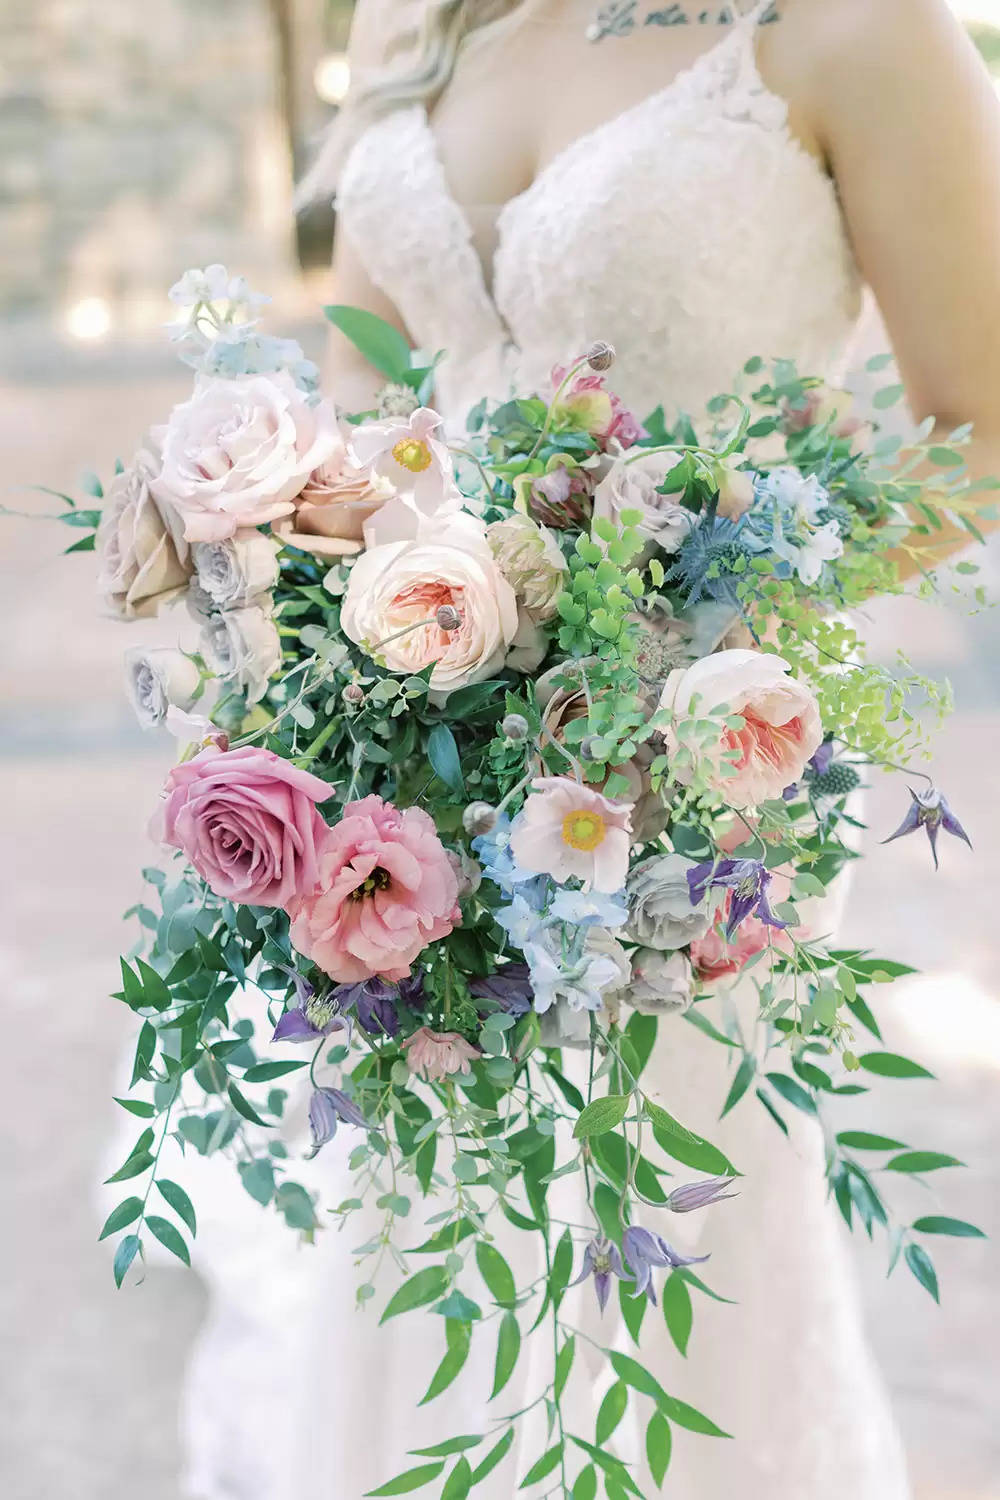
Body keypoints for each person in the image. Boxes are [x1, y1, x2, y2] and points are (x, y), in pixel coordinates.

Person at [179, 3, 1000, 1496]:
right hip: (419, 737)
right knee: (417, 1205)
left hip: (698, 772)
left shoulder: (858, 29)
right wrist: (306, 638)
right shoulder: (421, 17)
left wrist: (665, 630)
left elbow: (983, 425)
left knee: (680, 1206)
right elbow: (369, 397)